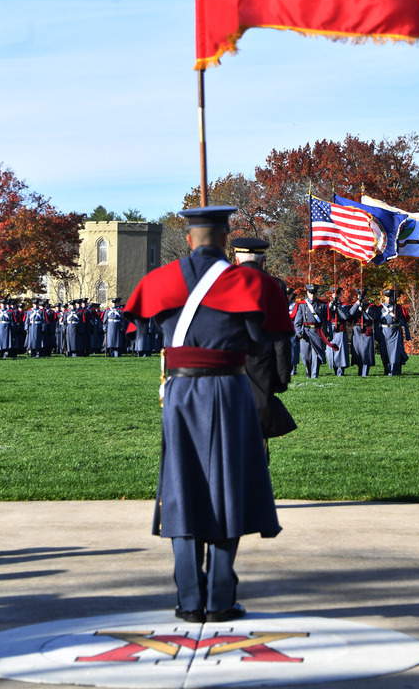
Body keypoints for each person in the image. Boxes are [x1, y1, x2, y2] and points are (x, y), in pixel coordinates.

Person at [123, 205, 292, 624]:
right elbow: (262, 340)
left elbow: (140, 329)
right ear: (225, 237)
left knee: (181, 487)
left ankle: (188, 598)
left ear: (187, 239)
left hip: (179, 393)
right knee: (227, 488)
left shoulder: (157, 280)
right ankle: (219, 598)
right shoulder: (252, 283)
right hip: (231, 389)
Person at [230, 236, 296, 452]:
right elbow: (280, 336)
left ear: (236, 259)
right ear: (263, 260)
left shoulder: (222, 281)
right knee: (259, 429)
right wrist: (282, 376)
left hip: (226, 363)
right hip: (261, 364)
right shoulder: (275, 285)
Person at [293, 284, 328, 378]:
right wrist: (299, 332)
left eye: (314, 293)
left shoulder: (322, 305)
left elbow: (326, 321)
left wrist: (328, 333)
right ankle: (308, 370)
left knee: (316, 354)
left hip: (317, 332)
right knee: (305, 356)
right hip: (306, 332)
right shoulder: (302, 305)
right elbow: (297, 322)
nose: (312, 295)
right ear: (307, 293)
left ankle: (314, 374)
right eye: (310, 293)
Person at [375, 288, 410, 375]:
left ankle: (395, 370)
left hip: (395, 332)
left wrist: (398, 321)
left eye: (390, 297)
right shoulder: (379, 308)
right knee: (384, 352)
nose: (389, 299)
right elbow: (375, 321)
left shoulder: (398, 308)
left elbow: (404, 321)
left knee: (395, 353)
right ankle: (387, 370)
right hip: (383, 332)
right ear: (384, 297)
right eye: (387, 297)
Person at [350, 289, 378, 376]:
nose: (362, 297)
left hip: (366, 329)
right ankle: (360, 369)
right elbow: (351, 313)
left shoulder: (371, 306)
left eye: (363, 295)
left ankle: (365, 370)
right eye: (360, 295)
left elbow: (374, 317)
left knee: (366, 351)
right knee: (357, 351)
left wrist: (366, 309)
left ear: (366, 296)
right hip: (357, 329)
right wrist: (358, 303)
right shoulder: (355, 305)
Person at [326, 286, 350, 376]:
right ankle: (335, 368)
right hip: (331, 328)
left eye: (337, 294)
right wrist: (333, 303)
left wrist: (338, 306)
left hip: (340, 328)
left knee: (341, 350)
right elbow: (327, 312)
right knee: (331, 350)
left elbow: (345, 316)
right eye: (334, 294)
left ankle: (341, 369)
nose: (335, 296)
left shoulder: (344, 305)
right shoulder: (328, 304)